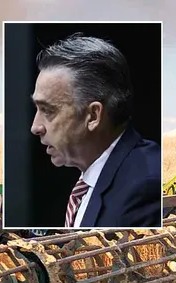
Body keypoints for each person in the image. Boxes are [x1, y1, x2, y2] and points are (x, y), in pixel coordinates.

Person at [30, 34, 161, 228]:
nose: (35, 127)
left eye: (48, 110)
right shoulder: (98, 175)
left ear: (92, 116)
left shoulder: (145, 187)